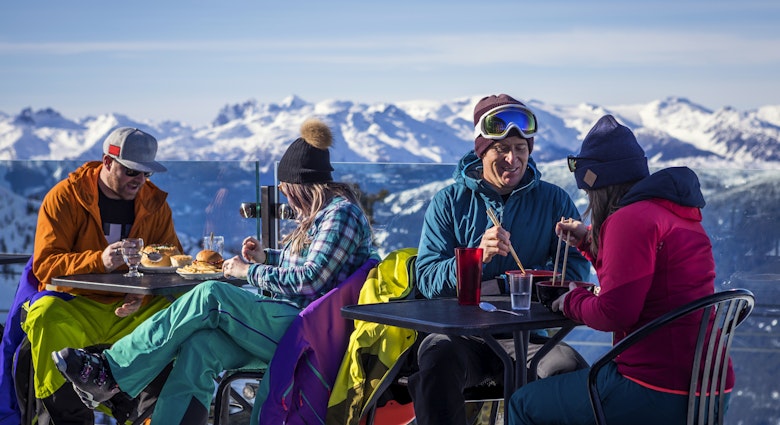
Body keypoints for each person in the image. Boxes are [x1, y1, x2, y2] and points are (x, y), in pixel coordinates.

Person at [52, 118, 380, 425]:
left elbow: (310, 281)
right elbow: (316, 266)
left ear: (298, 184)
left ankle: (111, 371)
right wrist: (268, 257)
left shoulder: (341, 215)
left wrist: (247, 271)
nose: (283, 196)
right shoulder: (327, 216)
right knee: (201, 347)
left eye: (282, 188)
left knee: (211, 295)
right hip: (296, 321)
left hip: (311, 331)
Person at [507, 115, 721, 424]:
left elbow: (615, 313)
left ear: (599, 187)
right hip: (708, 388)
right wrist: (590, 243)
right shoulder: (673, 213)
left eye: (589, 193)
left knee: (525, 404)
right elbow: (642, 278)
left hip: (654, 388)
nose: (589, 200)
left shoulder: (629, 219)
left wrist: (570, 300)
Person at [410, 94, 591, 424]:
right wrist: (474, 259)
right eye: (501, 149)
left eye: (520, 148)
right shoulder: (449, 202)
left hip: (525, 339)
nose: (513, 158)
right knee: (437, 364)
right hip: (459, 337)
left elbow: (577, 271)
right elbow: (426, 279)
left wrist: (516, 284)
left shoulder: (553, 200)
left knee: (568, 371)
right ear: (482, 153)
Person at [21, 127, 181, 424]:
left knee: (178, 314)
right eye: (132, 171)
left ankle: (147, 415)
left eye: (147, 174)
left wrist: (142, 293)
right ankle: (67, 417)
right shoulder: (65, 197)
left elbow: (169, 259)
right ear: (107, 162)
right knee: (44, 314)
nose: (140, 181)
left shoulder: (154, 204)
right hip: (77, 305)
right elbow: (45, 264)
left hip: (130, 310)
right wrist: (100, 260)